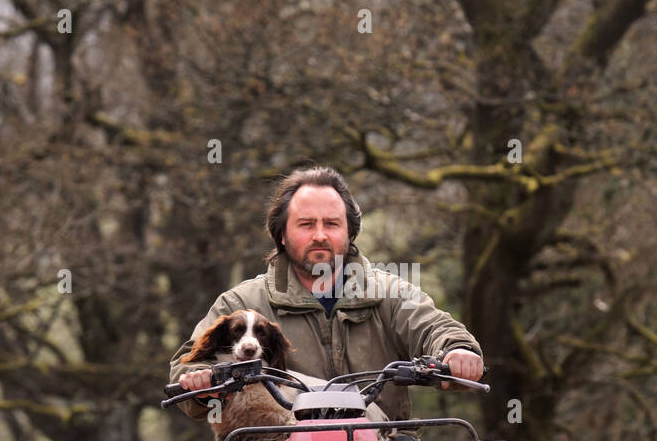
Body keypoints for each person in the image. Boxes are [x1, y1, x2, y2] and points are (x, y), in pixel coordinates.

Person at [170, 166, 484, 425]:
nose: (320, 234)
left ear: (349, 233)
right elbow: (186, 367)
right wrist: (200, 382)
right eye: (306, 224)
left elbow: (433, 326)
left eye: (331, 224)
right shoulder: (240, 304)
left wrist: (456, 351)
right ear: (282, 234)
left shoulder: (390, 294)